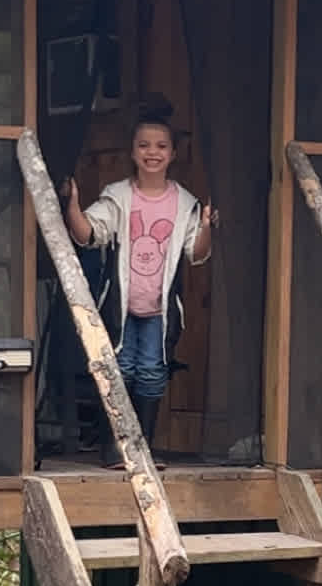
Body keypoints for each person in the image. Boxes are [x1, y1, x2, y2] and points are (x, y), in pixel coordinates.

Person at [61, 97, 216, 462]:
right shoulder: (118, 196)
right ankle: (115, 448)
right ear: (132, 152)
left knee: (151, 372)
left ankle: (142, 448)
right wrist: (71, 204)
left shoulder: (184, 203)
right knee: (119, 368)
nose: (152, 153)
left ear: (173, 154)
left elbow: (196, 253)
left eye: (161, 146)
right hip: (121, 305)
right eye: (144, 145)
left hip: (160, 309)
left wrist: (208, 226)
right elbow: (89, 234)